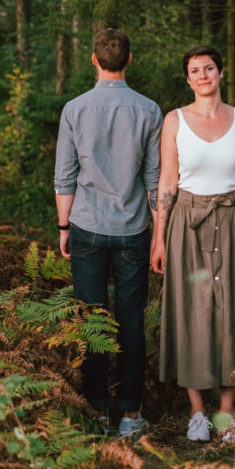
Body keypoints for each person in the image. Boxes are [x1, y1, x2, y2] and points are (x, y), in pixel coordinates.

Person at [150, 44, 235, 443]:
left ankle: (226, 415)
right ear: (187, 79)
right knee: (191, 313)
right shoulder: (174, 121)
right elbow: (167, 182)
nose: (202, 75)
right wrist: (159, 237)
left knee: (234, 314)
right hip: (186, 224)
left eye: (208, 68)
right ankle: (197, 414)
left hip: (234, 221)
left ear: (221, 73)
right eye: (194, 71)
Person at [54, 29, 162, 437]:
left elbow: (65, 175)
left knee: (91, 320)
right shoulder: (149, 110)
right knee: (131, 321)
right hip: (134, 228)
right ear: (130, 59)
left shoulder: (75, 109)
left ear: (94, 61)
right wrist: (160, 233)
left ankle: (97, 411)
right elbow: (155, 179)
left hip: (86, 226)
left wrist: (64, 226)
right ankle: (130, 415)